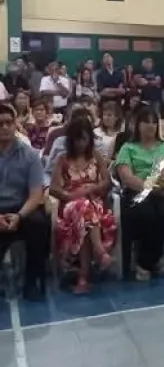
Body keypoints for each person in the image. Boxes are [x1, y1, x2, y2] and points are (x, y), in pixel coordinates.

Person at [114, 107, 164, 281]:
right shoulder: (128, 148)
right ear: (138, 125)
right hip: (139, 191)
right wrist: (153, 188)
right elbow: (127, 177)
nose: (151, 126)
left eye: (154, 122)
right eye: (147, 122)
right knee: (146, 214)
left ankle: (146, 261)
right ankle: (153, 259)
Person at [49, 116, 116, 294]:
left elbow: (106, 183)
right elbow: (54, 189)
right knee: (82, 207)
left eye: (84, 139)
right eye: (77, 139)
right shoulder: (62, 160)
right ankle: (100, 252)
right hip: (70, 206)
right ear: (71, 140)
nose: (81, 144)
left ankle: (83, 277)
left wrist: (90, 189)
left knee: (86, 213)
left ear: (90, 139)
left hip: (94, 203)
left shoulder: (96, 157)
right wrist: (70, 195)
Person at [0, 103, 50, 301]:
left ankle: (31, 282)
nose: (4, 127)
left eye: (8, 123)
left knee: (39, 224)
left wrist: (19, 216)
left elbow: (36, 194)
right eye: (0, 123)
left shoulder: (30, 155)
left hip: (22, 208)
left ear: (15, 125)